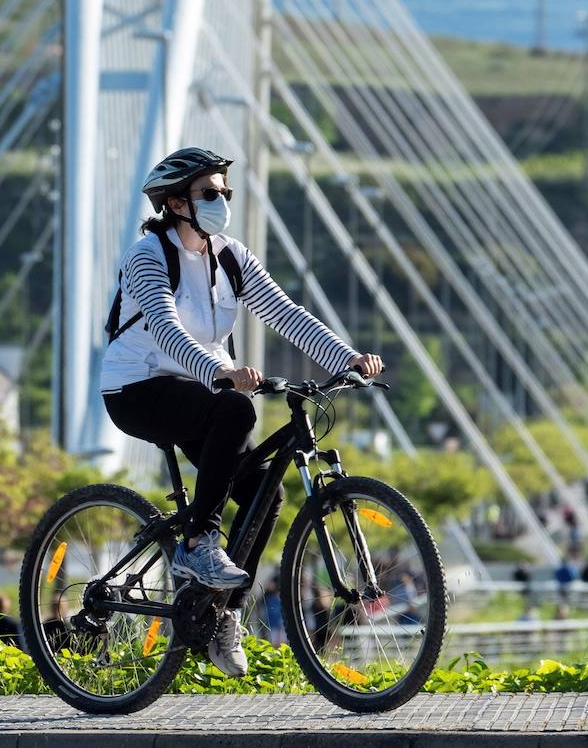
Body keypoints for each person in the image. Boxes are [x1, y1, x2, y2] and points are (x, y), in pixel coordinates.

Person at [100, 147, 383, 677]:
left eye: (224, 193)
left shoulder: (230, 255)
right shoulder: (147, 256)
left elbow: (285, 313)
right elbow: (164, 328)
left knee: (266, 494)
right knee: (236, 408)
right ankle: (198, 541)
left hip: (202, 392)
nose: (221, 201)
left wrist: (347, 358)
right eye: (210, 193)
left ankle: (222, 615)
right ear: (176, 201)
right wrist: (219, 371)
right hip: (138, 389)